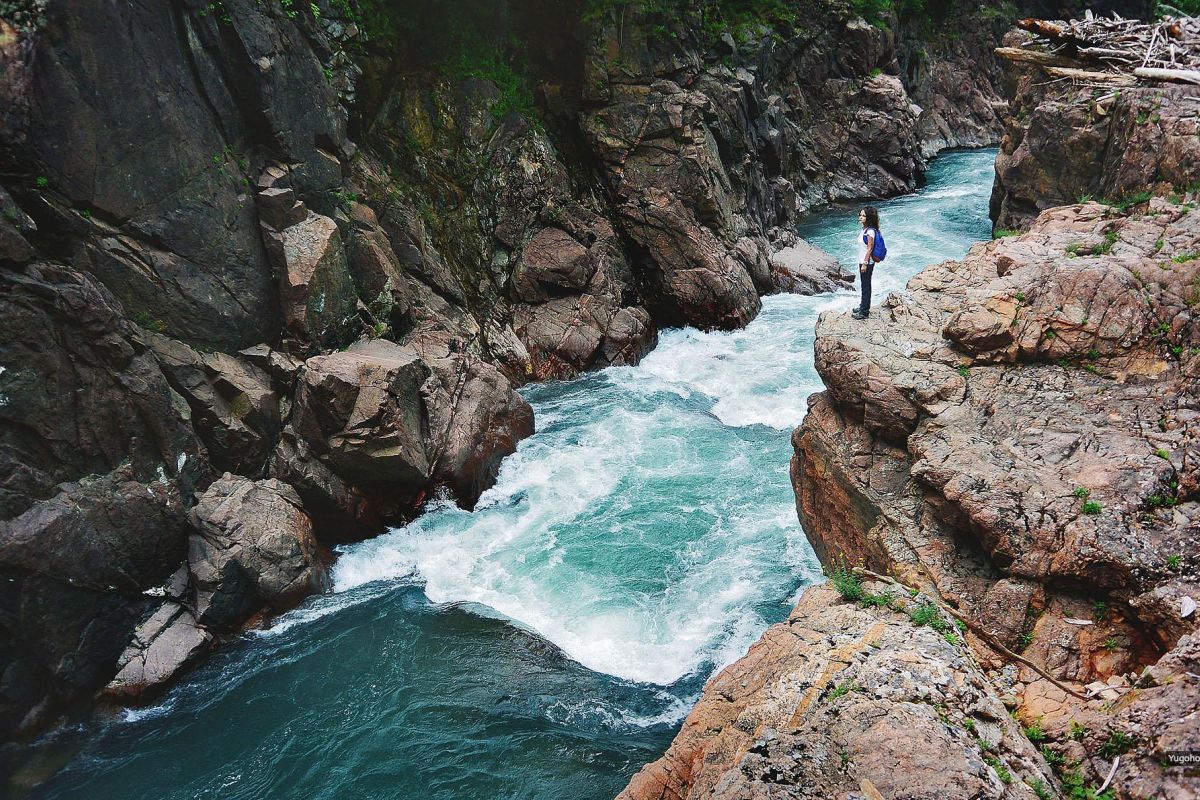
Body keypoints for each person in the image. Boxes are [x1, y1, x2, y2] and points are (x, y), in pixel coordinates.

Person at [853, 207, 880, 320]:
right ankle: (863, 306)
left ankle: (864, 312)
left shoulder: (870, 231)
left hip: (867, 263)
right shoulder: (865, 229)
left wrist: (865, 263)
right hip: (863, 261)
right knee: (864, 285)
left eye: (863, 216)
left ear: (869, 217)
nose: (861, 217)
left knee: (866, 286)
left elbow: (870, 248)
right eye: (860, 215)